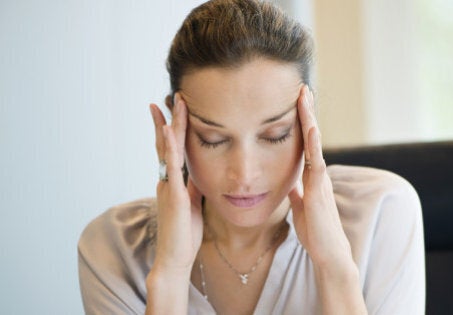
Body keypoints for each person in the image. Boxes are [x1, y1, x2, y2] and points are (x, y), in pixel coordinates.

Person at [78, 0, 425, 314]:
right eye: (212, 139)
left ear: (308, 120)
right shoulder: (115, 248)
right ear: (174, 128)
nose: (244, 175)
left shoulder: (381, 213)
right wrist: (170, 275)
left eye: (275, 136)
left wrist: (335, 267)